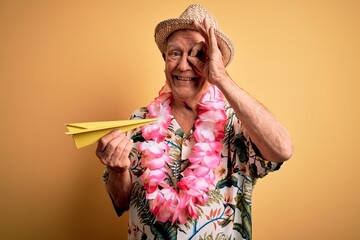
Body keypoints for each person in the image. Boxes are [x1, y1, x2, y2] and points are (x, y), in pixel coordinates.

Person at [96, 4, 293, 240]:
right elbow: (122, 201)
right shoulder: (139, 121)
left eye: (198, 54)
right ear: (164, 58)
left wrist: (221, 79)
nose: (182, 65)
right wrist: (117, 170)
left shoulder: (239, 123)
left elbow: (283, 150)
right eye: (175, 53)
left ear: (215, 61)